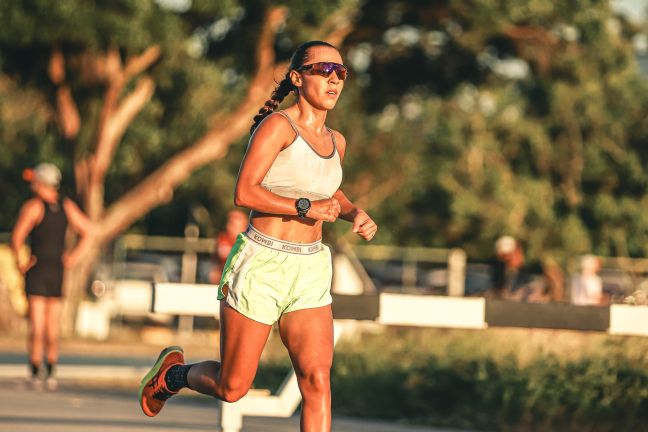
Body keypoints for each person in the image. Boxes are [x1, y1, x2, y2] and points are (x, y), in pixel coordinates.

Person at [139, 41, 378, 431]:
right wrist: (305, 207)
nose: (334, 80)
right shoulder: (278, 127)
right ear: (298, 78)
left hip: (310, 269)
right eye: (323, 70)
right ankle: (173, 376)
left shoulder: (338, 141)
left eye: (341, 73)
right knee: (233, 387)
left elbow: (326, 188)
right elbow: (245, 192)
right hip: (262, 263)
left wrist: (354, 211)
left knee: (317, 380)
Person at [11, 163, 93, 390]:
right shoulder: (67, 207)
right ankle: (52, 371)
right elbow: (89, 231)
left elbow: (17, 237)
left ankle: (36, 370)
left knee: (37, 324)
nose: (32, 184)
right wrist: (73, 258)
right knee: (51, 325)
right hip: (57, 268)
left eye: (35, 180)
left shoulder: (33, 207)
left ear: (42, 183)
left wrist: (21, 262)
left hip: (38, 267)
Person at [208, 210, 249, 284]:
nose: (230, 227)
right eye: (230, 223)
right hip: (223, 279)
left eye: (234, 225)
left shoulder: (247, 241)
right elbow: (216, 258)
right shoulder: (223, 238)